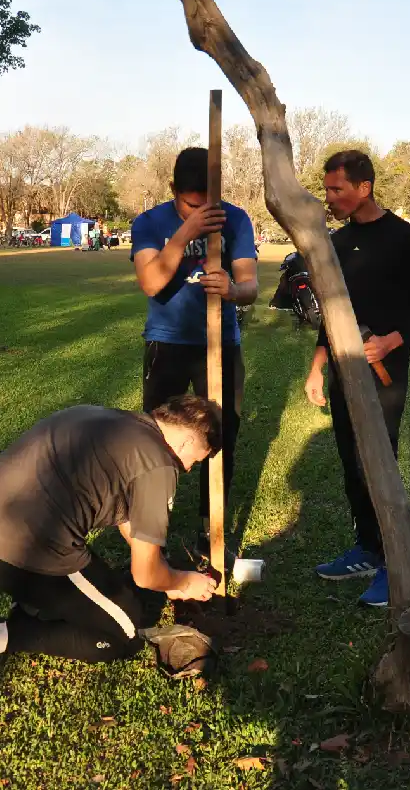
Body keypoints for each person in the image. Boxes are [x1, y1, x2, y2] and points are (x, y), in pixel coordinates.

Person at [0, 395, 223, 695]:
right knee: (124, 634)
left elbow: (127, 517)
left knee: (121, 599)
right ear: (185, 442)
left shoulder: (110, 420)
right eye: (195, 460)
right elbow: (144, 575)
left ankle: (33, 605)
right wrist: (184, 582)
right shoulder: (158, 464)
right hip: (20, 552)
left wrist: (165, 580)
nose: (187, 469)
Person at [304, 150, 410, 608]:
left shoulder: (407, 240)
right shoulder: (338, 244)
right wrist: (317, 365)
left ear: (364, 187)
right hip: (345, 369)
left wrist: (390, 341)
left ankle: (393, 563)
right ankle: (367, 547)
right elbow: (333, 311)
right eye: (326, 189)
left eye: (336, 189)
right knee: (350, 459)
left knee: (377, 462)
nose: (330, 198)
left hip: (386, 371)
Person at [131, 147, 259, 556]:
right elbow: (151, 283)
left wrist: (232, 291)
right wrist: (186, 234)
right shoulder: (150, 223)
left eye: (208, 202)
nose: (201, 210)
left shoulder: (235, 219)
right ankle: (153, 535)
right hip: (166, 344)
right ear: (173, 190)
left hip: (221, 345)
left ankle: (212, 531)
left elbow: (250, 286)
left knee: (221, 437)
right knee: (155, 439)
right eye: (191, 204)